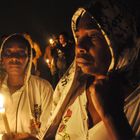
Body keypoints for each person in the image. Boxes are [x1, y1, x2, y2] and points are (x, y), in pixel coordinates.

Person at [43, 0, 140, 139]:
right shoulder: (72, 91)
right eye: (77, 37)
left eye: (93, 36)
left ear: (119, 40)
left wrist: (113, 117)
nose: (79, 46)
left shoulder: (135, 106)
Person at [0, 33, 53, 140]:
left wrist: (33, 138)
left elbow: (50, 130)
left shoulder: (43, 88)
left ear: (29, 58)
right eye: (8, 52)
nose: (14, 58)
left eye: (21, 53)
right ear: (2, 59)